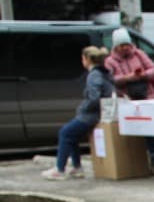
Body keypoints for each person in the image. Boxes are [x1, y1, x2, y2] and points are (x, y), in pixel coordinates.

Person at [41, 46, 113, 181]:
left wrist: (83, 108)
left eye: (82, 58)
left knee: (65, 132)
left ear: (87, 60)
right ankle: (77, 168)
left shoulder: (93, 75)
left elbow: (94, 97)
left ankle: (60, 169)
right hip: (98, 112)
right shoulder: (103, 72)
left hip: (91, 114)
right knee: (71, 135)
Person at [105, 27, 154, 167]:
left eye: (127, 45)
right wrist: (127, 78)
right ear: (116, 46)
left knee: (148, 127)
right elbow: (111, 79)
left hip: (145, 95)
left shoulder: (139, 54)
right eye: (122, 46)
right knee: (132, 127)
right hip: (127, 97)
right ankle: (134, 158)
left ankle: (153, 154)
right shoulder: (110, 61)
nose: (125, 48)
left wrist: (144, 74)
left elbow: (153, 68)